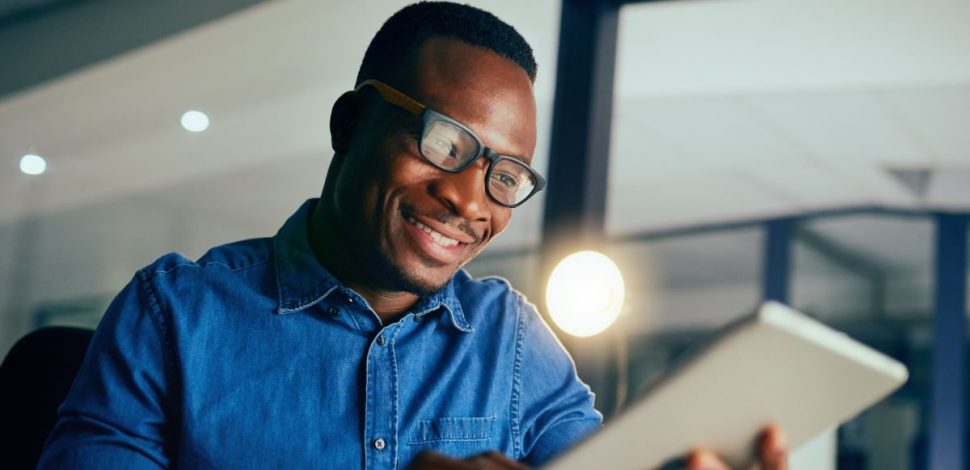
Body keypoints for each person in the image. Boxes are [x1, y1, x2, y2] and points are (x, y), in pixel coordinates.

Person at [39, 2, 788, 469]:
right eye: (443, 142)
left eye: (507, 175)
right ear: (350, 123)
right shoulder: (172, 315)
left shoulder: (515, 344)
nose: (469, 199)